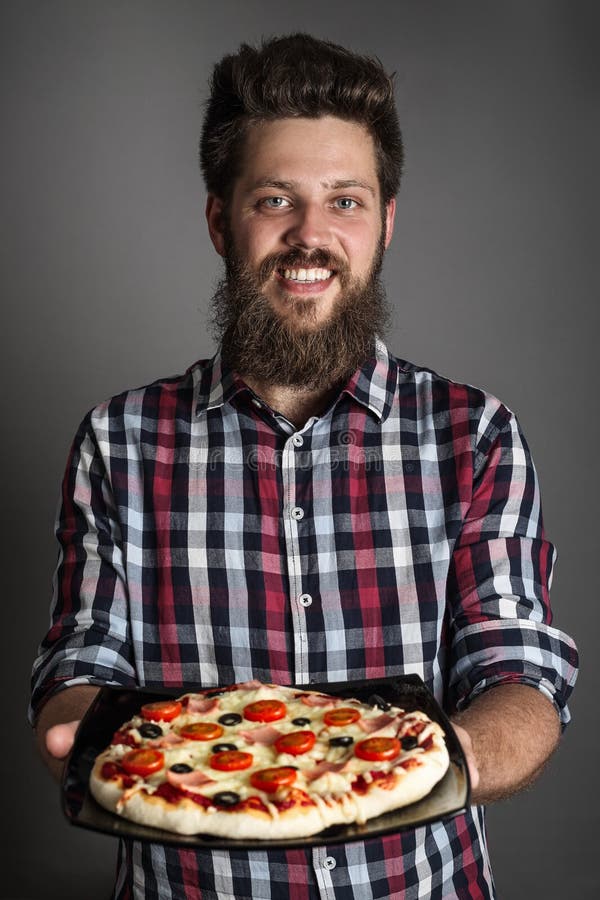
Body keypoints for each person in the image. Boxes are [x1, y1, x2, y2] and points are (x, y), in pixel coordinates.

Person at [30, 33, 578, 900]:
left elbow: (519, 673)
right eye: (276, 199)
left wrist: (445, 757)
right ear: (221, 220)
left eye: (347, 202)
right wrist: (94, 735)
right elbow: (81, 664)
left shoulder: (475, 436)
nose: (311, 235)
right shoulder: (119, 439)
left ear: (387, 223)